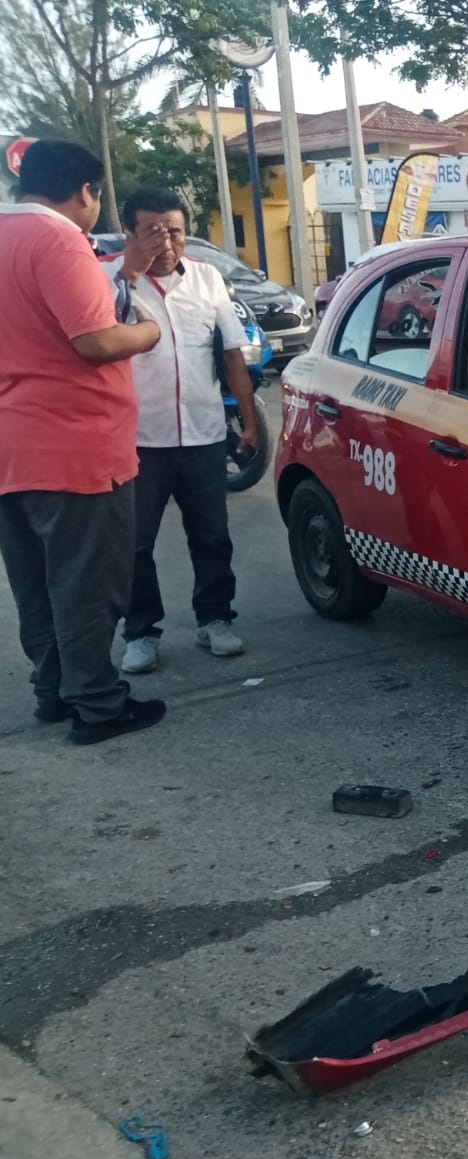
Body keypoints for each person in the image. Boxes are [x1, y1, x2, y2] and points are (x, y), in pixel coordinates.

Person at [0, 140, 168, 743]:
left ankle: (54, 693)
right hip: (73, 447)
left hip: (12, 448)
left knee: (36, 583)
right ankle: (98, 705)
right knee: (86, 584)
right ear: (87, 192)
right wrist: (146, 331)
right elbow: (95, 342)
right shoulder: (59, 238)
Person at [107, 188, 260, 674]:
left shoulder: (207, 279)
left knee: (212, 535)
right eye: (151, 230)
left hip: (203, 433)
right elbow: (97, 337)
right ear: (129, 233)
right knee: (134, 543)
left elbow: (232, 353)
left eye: (173, 230)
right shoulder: (102, 278)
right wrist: (128, 276)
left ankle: (215, 619)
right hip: (137, 440)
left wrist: (251, 420)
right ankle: (140, 631)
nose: (165, 241)